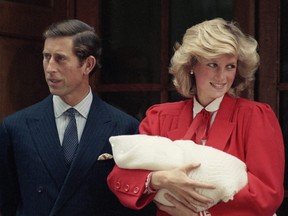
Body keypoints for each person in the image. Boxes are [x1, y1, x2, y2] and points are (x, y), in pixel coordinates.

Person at [107, 18, 285, 216]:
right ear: (192, 64)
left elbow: (267, 194)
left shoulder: (256, 117)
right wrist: (161, 180)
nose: (222, 77)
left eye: (230, 66)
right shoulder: (160, 117)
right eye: (212, 64)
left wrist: (201, 214)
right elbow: (119, 177)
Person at [0, 19, 155, 216]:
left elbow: (135, 205)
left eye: (60, 59)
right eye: (46, 57)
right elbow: (7, 203)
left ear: (88, 64)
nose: (50, 68)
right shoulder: (15, 128)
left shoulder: (125, 127)